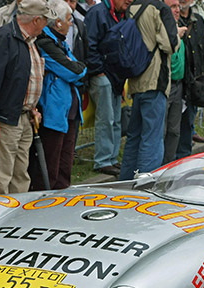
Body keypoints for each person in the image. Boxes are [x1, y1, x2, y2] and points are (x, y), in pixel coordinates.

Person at [0, 0, 50, 196]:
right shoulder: (3, 38)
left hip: (22, 116)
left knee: (20, 175)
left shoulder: (29, 42)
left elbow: (25, 79)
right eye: (45, 21)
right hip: (4, 119)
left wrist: (32, 108)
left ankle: (17, 218)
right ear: (36, 20)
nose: (46, 26)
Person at [118, 0, 179, 180]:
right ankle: (146, 184)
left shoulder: (132, 8)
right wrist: (178, 35)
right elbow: (169, 44)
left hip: (136, 79)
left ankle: (126, 182)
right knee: (152, 138)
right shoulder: (160, 9)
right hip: (155, 79)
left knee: (134, 137)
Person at [33, 0, 86, 189]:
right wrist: (75, 71)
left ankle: (63, 200)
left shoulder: (61, 43)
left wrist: (76, 70)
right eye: (69, 19)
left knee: (65, 162)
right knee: (50, 164)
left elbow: (79, 70)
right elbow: (74, 71)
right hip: (53, 113)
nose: (71, 23)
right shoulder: (45, 43)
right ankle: (45, 203)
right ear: (58, 23)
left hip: (69, 111)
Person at [84, 0, 132, 177]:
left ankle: (112, 158)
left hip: (116, 75)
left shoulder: (122, 14)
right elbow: (89, 44)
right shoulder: (98, 13)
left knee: (116, 118)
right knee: (106, 118)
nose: (129, 1)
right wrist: (98, 71)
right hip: (102, 74)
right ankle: (103, 160)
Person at [175, 0, 204, 158]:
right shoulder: (172, 20)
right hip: (177, 84)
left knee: (188, 127)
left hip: (194, 85)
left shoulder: (199, 21)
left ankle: (184, 163)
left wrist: (203, 80)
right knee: (173, 129)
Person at [162, 0, 186, 164]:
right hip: (165, 85)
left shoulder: (183, 26)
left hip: (180, 85)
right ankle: (157, 167)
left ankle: (169, 165)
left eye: (178, 6)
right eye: (173, 7)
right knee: (161, 130)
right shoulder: (162, 28)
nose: (177, 10)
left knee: (174, 131)